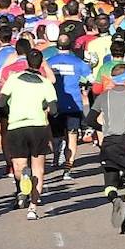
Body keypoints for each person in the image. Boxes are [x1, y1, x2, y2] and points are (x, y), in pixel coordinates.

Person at [0, 46, 57, 219]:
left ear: (26, 62)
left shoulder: (14, 79)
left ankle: (24, 175)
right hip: (38, 126)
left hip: (16, 126)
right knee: (38, 169)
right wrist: (42, 106)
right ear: (41, 65)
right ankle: (32, 207)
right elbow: (54, 109)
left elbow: (1, 102)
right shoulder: (46, 83)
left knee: (18, 166)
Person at [90, 63, 125, 233]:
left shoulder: (103, 97)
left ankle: (114, 198)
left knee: (109, 184)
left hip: (109, 143)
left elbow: (89, 120)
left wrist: (104, 129)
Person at [45, 33, 93, 180]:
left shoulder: (49, 62)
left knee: (55, 135)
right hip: (74, 104)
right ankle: (68, 169)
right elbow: (91, 79)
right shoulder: (78, 62)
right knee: (72, 136)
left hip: (55, 104)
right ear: (70, 46)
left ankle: (56, 155)